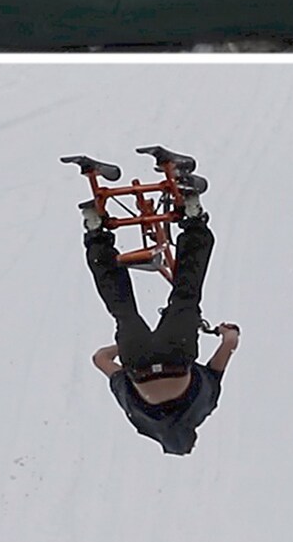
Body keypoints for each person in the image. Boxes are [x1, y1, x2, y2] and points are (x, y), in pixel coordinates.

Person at [81, 170, 237, 455]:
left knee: (186, 295)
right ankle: (95, 232)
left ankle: (193, 217)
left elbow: (226, 351)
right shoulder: (140, 418)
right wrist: (136, 341)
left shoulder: (203, 408)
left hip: (178, 355)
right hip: (137, 363)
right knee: (122, 310)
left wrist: (229, 336)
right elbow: (101, 359)